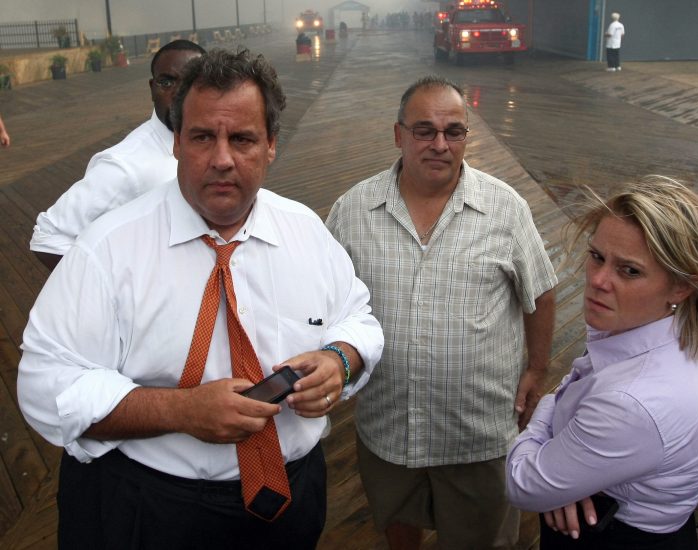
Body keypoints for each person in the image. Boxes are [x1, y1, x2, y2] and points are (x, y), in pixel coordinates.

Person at [18, 49, 384, 550]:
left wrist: (340, 357)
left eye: (243, 138)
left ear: (271, 145)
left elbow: (357, 317)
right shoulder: (107, 248)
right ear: (175, 143)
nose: (222, 159)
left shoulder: (306, 231)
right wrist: (180, 411)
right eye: (202, 136)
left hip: (291, 498)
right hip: (152, 510)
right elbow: (45, 383)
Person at [326, 75, 557, 550]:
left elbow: (541, 292)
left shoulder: (504, 209)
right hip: (389, 426)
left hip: (477, 434)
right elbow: (325, 299)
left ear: (466, 136)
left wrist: (537, 367)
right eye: (424, 130)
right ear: (398, 135)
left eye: (453, 131)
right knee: (397, 526)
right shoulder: (353, 210)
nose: (439, 144)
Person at [506, 176, 698, 549]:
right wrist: (576, 476)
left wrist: (548, 408)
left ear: (681, 287)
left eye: (629, 271)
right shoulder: (680, 331)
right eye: (596, 256)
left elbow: (523, 483)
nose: (597, 280)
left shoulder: (632, 403)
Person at [29, 39, 206, 271]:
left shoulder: (214, 143)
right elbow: (48, 237)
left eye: (191, 82)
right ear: (153, 88)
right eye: (167, 81)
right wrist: (112, 291)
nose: (178, 93)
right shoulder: (126, 164)